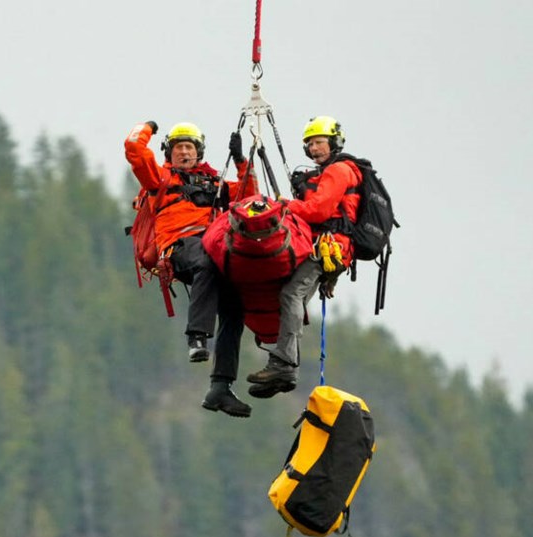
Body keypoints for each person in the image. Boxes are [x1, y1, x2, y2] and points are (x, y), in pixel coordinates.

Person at [125, 121, 259, 416]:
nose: (184, 152)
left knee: (234, 307)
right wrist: (147, 127)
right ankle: (196, 337)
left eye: (189, 147)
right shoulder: (160, 178)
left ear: (198, 152)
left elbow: (248, 197)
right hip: (178, 247)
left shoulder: (215, 183)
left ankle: (220, 387)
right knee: (206, 260)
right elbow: (135, 149)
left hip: (212, 247)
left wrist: (240, 161)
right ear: (169, 153)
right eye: (178, 148)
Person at [247, 116, 362, 398]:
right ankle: (286, 370)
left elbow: (319, 211)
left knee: (290, 295)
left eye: (319, 142)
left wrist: (286, 205)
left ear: (334, 142)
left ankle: (284, 363)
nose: (314, 148)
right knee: (291, 296)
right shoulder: (334, 171)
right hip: (330, 246)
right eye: (310, 144)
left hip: (329, 244)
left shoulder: (338, 171)